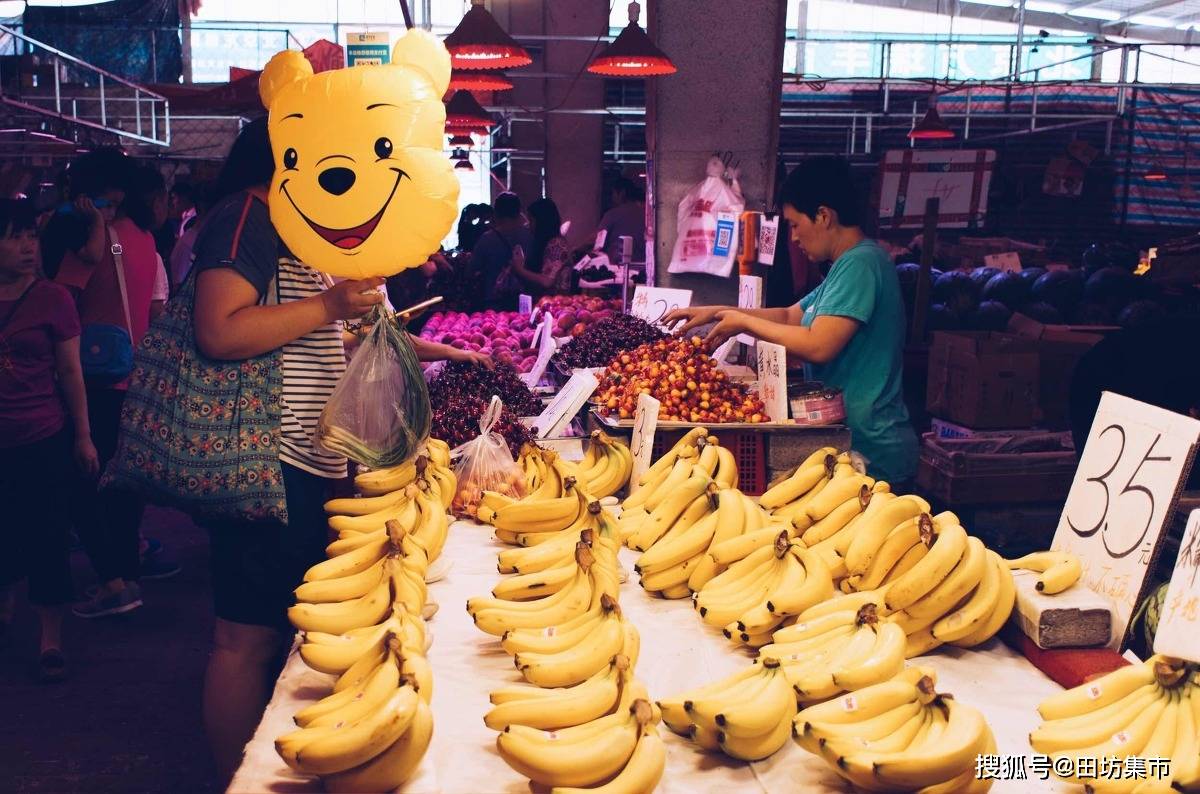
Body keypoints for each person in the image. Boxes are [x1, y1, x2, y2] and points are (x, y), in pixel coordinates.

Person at [187, 118, 384, 784]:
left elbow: (306, 334)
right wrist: (330, 306)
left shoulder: (296, 226)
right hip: (261, 460)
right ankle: (235, 780)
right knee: (244, 638)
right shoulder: (247, 218)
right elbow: (218, 330)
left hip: (303, 458)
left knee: (278, 633)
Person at [665, 157, 918, 484]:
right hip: (851, 440)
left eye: (796, 225)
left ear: (824, 216)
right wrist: (716, 311)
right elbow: (790, 315)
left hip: (873, 447)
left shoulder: (862, 264)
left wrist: (742, 323)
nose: (794, 239)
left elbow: (818, 344)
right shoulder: (843, 267)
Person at [52, 154, 176, 619]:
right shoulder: (144, 238)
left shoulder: (91, 238)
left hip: (94, 380)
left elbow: (61, 305)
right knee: (123, 485)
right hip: (137, 377)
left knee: (84, 484)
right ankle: (129, 574)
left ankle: (113, 581)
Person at [0, 200, 98, 682]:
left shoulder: (53, 298)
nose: (25, 247)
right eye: (14, 237)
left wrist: (83, 436)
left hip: (42, 435)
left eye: (30, 238)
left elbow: (70, 370)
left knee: (47, 534)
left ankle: (50, 637)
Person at [472, 191, 532, 309]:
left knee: (494, 327)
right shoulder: (530, 236)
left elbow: (471, 269)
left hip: (494, 301)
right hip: (522, 300)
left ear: (496, 212)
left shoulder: (486, 239)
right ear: (518, 211)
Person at [509, 197, 572, 296]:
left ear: (541, 221)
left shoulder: (557, 244)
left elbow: (547, 281)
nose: (528, 225)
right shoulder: (544, 242)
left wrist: (520, 269)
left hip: (555, 305)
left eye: (531, 220)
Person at [595, 177, 645, 262]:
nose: (612, 198)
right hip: (642, 266)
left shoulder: (612, 214)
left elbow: (598, 240)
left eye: (613, 193)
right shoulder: (645, 215)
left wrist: (577, 248)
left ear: (622, 193)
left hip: (617, 267)